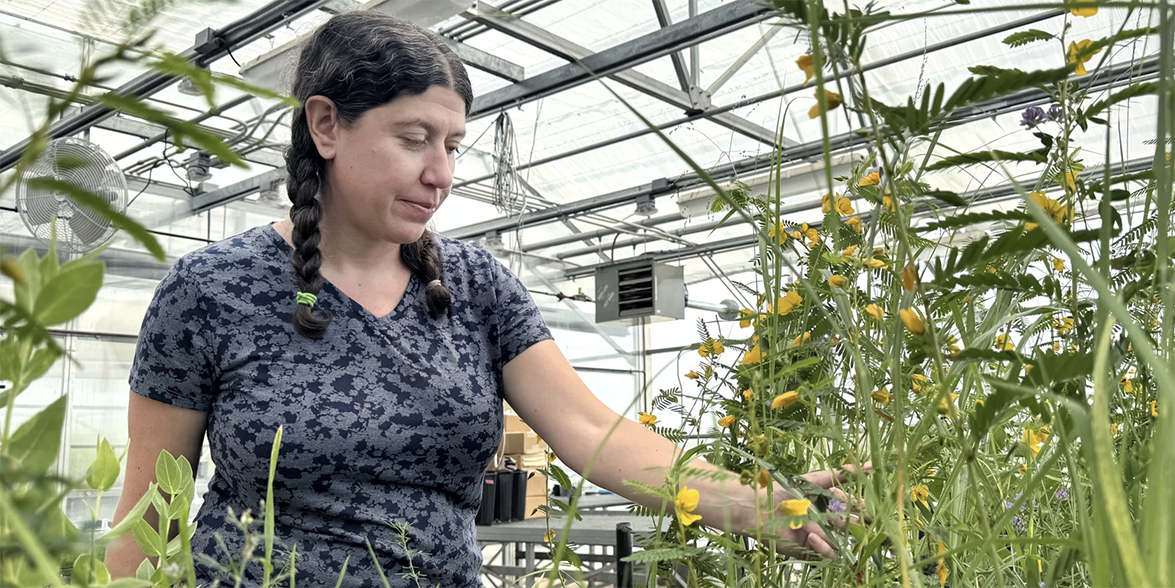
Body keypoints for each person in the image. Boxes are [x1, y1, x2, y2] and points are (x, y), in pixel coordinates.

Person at [105, 11, 865, 586]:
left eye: (453, 144)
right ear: (327, 125)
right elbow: (149, 513)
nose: (442, 172)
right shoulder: (212, 290)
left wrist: (752, 501)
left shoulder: (473, 286)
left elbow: (589, 429)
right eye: (413, 139)